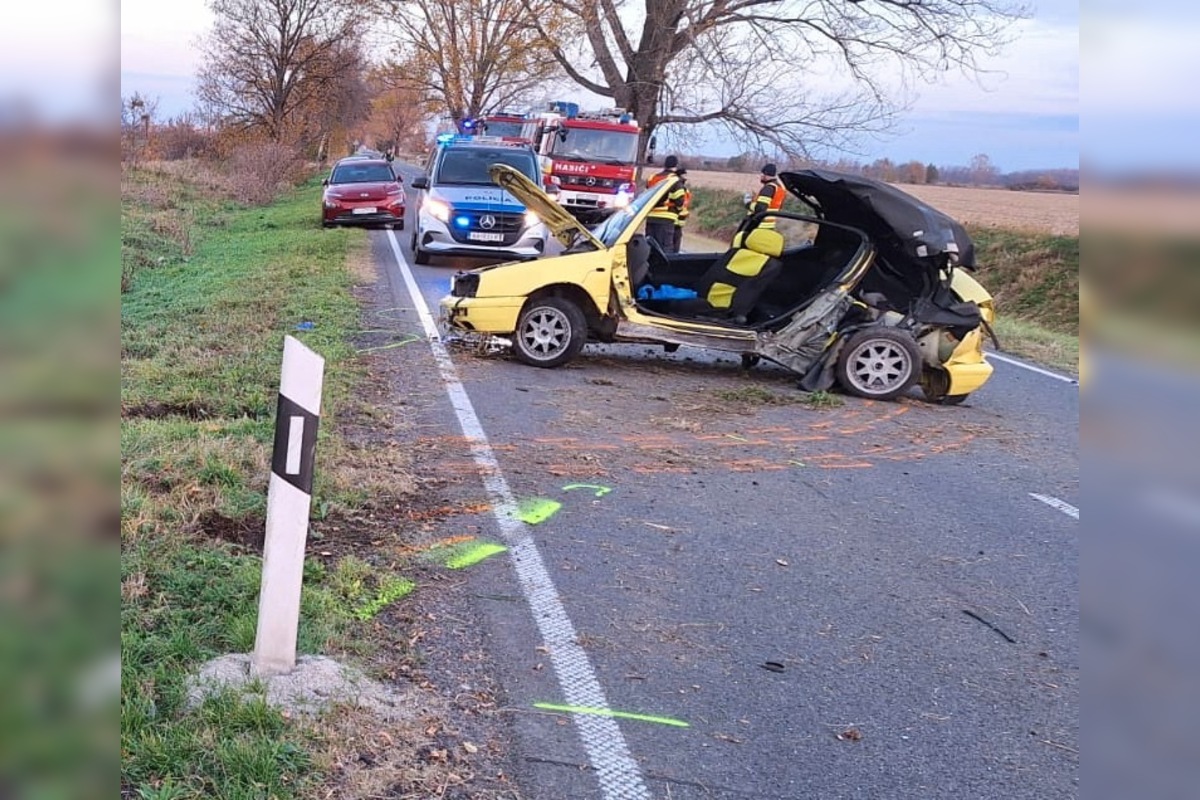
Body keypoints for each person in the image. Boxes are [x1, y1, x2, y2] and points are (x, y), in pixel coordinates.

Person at [645, 155, 686, 252]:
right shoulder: (674, 179)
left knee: (650, 249)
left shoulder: (652, 178)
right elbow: (679, 200)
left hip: (651, 218)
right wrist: (679, 212)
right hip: (666, 219)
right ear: (676, 165)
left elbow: (646, 197)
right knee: (665, 250)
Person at [745, 162, 785, 230]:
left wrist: (748, 203)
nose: (761, 176)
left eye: (762, 173)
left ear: (765, 174)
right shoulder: (780, 188)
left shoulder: (768, 188)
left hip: (758, 225)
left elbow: (760, 208)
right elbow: (777, 206)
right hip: (769, 225)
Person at [672, 168, 692, 253]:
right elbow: (679, 203)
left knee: (675, 245)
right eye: (684, 176)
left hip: (679, 221)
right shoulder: (679, 187)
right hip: (674, 220)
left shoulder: (683, 188)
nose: (685, 178)